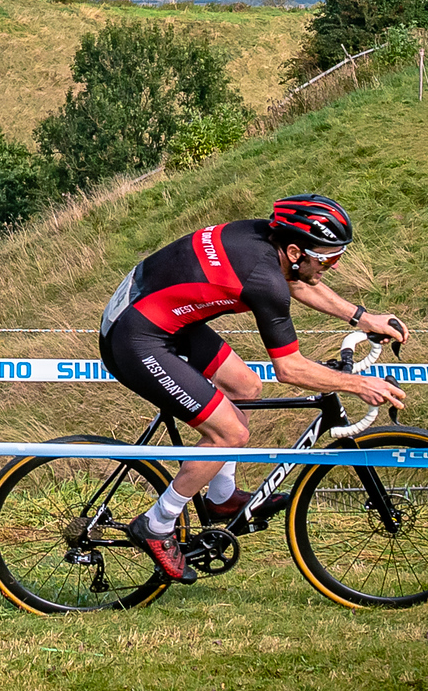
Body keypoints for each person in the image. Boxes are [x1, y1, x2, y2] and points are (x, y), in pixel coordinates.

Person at [97, 194, 408, 585]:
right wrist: (358, 384)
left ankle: (221, 495)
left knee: (245, 386)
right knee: (231, 433)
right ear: (294, 250)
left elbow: (297, 281)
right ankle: (157, 524)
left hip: (159, 316)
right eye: (328, 259)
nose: (333, 266)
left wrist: (363, 318)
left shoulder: (265, 239)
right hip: (137, 338)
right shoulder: (264, 278)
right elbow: (289, 368)